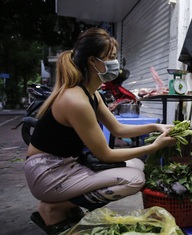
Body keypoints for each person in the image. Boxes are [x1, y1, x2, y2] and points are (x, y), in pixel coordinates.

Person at [24, 28, 177, 235]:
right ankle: (55, 207)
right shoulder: (75, 100)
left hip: (66, 165)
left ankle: (66, 205)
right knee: (134, 179)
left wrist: (155, 127)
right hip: (46, 173)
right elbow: (104, 154)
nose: (116, 63)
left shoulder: (92, 94)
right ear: (92, 61)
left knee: (137, 165)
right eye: (111, 58)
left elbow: (118, 129)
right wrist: (154, 146)